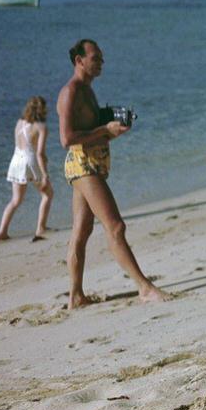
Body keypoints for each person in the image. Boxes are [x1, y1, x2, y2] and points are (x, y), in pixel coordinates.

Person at [58, 39, 170, 308]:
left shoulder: (88, 90)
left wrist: (112, 129)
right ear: (79, 61)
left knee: (81, 231)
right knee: (116, 226)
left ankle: (76, 296)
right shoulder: (70, 91)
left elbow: (92, 130)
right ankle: (144, 288)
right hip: (83, 165)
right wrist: (105, 130)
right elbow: (66, 138)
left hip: (94, 162)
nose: (101, 64)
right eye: (95, 58)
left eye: (101, 59)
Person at [0, 96, 53, 242]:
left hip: (16, 159)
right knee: (47, 194)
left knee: (15, 200)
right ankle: (41, 227)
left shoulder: (19, 123)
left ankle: (2, 232)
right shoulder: (41, 127)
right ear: (42, 110)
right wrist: (45, 174)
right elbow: (39, 153)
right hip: (30, 160)